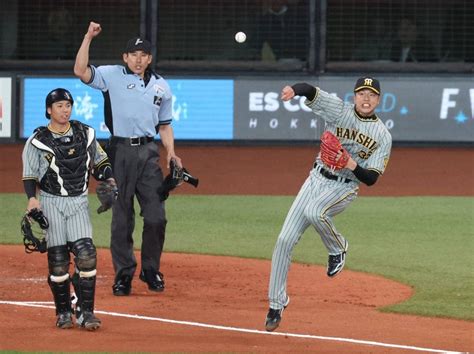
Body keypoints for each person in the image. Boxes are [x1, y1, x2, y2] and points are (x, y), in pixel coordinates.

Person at [264, 77, 392, 332]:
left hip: (343, 187)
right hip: (315, 179)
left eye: (371, 95)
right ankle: (276, 304)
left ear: (379, 100)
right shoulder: (339, 110)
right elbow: (310, 91)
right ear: (354, 96)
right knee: (284, 241)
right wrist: (293, 90)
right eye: (361, 94)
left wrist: (350, 164)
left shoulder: (382, 136)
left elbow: (372, 179)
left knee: (315, 212)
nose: (366, 99)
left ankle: (338, 247)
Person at [73, 22, 182, 296]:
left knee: (156, 216)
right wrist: (88, 37)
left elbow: (165, 126)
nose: (138, 59)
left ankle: (150, 270)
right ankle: (123, 275)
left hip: (148, 154)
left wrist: (171, 153)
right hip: (119, 152)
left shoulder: (161, 87)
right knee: (122, 218)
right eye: (133, 54)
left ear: (149, 59)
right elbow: (80, 71)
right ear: (125, 57)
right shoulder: (111, 76)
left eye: (143, 55)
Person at [22, 88, 116, 330]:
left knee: (86, 255)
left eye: (68, 105)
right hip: (52, 203)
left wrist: (108, 178)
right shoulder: (37, 141)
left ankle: (86, 313)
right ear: (49, 110)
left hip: (78, 202)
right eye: (60, 106)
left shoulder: (85, 133)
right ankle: (63, 312)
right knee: (59, 262)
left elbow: (101, 160)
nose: (65, 110)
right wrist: (32, 199)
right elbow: (30, 175)